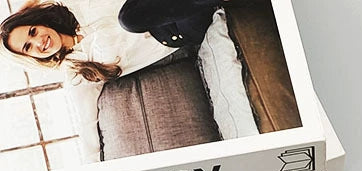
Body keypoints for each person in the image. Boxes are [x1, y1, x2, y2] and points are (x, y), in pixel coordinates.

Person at [0, 1, 223, 161]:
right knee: (129, 20)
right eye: (28, 47)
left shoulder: (76, 8)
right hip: (176, 30)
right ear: (31, 58)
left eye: (33, 31)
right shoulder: (77, 74)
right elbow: (87, 125)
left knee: (130, 16)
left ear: (39, 22)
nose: (39, 41)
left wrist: (27, 7)